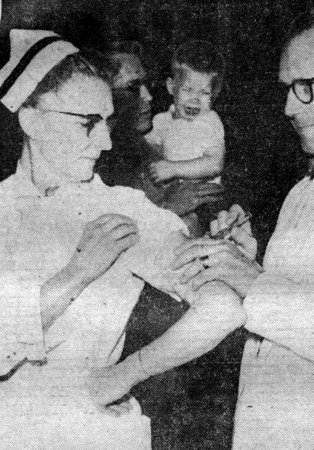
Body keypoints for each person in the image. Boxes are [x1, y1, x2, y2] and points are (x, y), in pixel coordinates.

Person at [0, 29, 243, 449]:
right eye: (88, 124)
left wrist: (127, 373)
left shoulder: (124, 210)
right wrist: (77, 273)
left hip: (96, 431)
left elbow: (223, 305)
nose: (107, 142)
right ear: (31, 119)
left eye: (108, 123)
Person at [172, 4, 314, 448]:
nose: (289, 106)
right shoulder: (305, 188)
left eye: (304, 87)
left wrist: (252, 281)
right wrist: (248, 257)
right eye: (287, 89)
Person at [94, 40, 225, 229]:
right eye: (133, 86)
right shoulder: (97, 162)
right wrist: (168, 208)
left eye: (145, 84)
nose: (148, 96)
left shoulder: (146, 144)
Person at [146, 40, 225, 185]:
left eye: (204, 92)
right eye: (187, 89)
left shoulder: (210, 121)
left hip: (204, 197)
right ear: (171, 87)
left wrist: (173, 169)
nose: (195, 99)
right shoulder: (161, 120)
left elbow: (215, 164)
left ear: (214, 94)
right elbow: (148, 151)